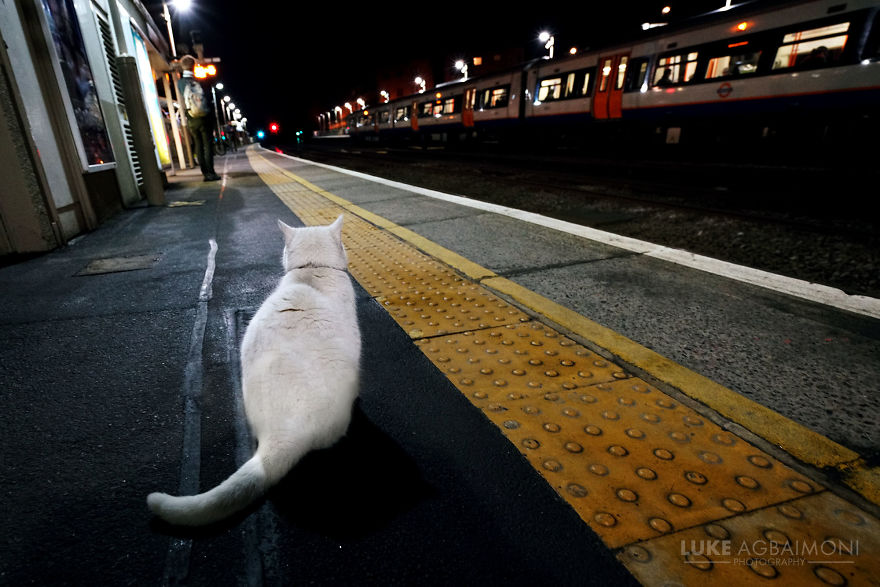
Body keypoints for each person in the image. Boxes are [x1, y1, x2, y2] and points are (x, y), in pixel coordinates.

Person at [177, 55, 220, 181]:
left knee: (198, 145)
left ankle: (205, 174)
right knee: (207, 145)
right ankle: (211, 173)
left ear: (182, 67)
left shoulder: (180, 82)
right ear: (194, 66)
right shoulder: (199, 79)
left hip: (191, 117)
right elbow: (207, 98)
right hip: (204, 117)